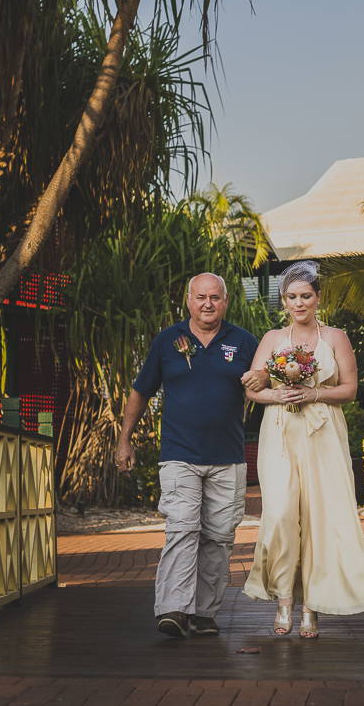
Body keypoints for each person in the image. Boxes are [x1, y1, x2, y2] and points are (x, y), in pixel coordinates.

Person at [115, 272, 266, 638]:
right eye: (201, 297)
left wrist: (264, 379)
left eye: (215, 297)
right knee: (182, 529)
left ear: (226, 301)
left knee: (218, 537)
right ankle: (173, 610)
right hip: (179, 455)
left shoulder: (245, 342)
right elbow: (141, 391)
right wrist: (124, 439)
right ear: (188, 300)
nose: (208, 304)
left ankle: (203, 613)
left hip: (228, 458)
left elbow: (267, 384)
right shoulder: (168, 341)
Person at [242, 260, 364, 638]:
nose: (298, 303)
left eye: (305, 296)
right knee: (282, 513)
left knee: (320, 516)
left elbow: (349, 389)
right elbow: (253, 387)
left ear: (318, 298)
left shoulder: (336, 337)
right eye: (291, 297)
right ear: (283, 301)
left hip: (323, 431)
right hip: (281, 430)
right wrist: (274, 392)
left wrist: (315, 391)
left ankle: (310, 610)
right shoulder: (271, 339)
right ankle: (284, 600)